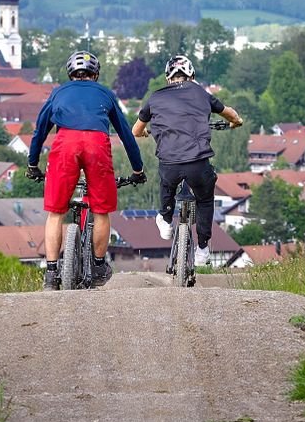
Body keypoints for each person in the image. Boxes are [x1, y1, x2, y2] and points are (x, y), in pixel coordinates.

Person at [26, 50, 146, 290]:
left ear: (70, 74)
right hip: (96, 144)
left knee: (55, 212)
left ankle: (51, 274)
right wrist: (137, 169)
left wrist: (33, 164)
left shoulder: (58, 92)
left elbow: (40, 131)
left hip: (65, 144)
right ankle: (99, 266)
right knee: (101, 210)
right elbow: (126, 134)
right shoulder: (106, 94)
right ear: (96, 74)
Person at [132, 54, 243, 267]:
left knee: (167, 184)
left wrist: (146, 133)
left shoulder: (155, 97)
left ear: (167, 78)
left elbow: (136, 130)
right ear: (191, 75)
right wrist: (236, 122)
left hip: (170, 162)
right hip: (198, 161)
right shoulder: (200, 92)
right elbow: (228, 113)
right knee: (205, 200)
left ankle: (165, 219)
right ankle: (202, 249)